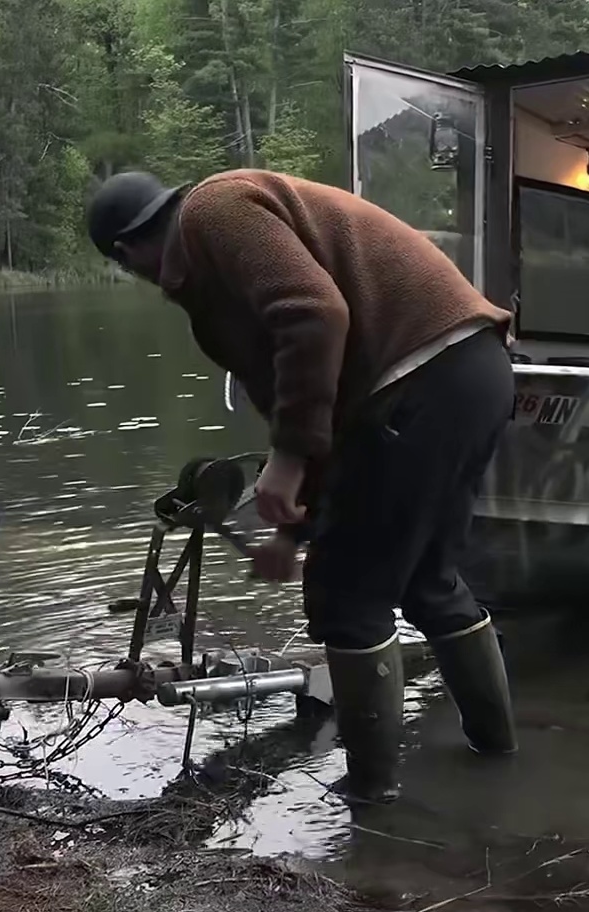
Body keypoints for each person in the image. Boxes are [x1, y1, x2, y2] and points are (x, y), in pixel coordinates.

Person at [84, 169, 517, 802]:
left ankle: (371, 800)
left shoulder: (215, 209)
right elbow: (313, 404)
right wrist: (292, 528)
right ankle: (497, 755)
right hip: (468, 373)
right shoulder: (212, 300)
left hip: (421, 375)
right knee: (428, 581)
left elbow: (315, 314)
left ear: (125, 255)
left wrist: (286, 461)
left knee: (347, 597)